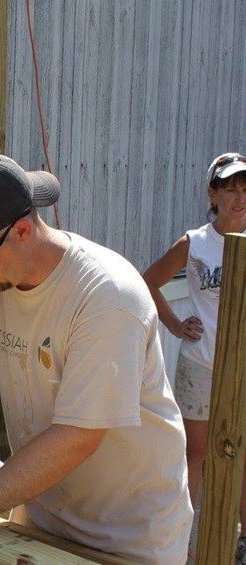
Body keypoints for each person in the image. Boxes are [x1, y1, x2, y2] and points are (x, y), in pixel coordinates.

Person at [0, 153, 192, 563]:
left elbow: (78, 435)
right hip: (39, 525)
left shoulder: (108, 298)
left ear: (23, 230)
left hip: (126, 539)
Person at [143, 152, 246, 560]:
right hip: (202, 361)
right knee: (196, 452)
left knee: (242, 450)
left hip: (243, 366)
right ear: (212, 194)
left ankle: (242, 539)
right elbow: (147, 282)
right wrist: (174, 324)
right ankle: (182, 540)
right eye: (230, 188)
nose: (239, 196)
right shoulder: (196, 242)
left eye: (245, 187)